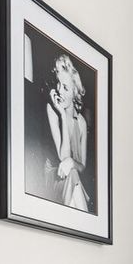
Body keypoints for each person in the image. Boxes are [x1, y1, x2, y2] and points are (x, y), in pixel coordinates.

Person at [44, 54, 91, 212]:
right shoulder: (51, 110)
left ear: (75, 92)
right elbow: (63, 157)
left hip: (71, 176)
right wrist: (63, 116)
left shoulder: (81, 122)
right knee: (72, 174)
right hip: (53, 176)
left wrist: (72, 162)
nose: (60, 91)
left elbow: (82, 165)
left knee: (73, 172)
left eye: (65, 88)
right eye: (58, 84)